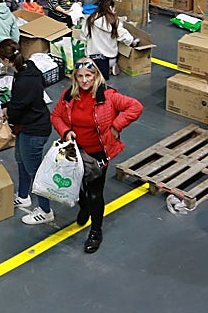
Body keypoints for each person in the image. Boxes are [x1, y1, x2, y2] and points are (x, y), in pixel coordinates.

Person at [51, 59, 143, 253]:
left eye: (89, 76)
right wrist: (66, 131)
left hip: (98, 153)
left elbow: (135, 107)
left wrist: (117, 126)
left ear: (96, 76)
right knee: (76, 186)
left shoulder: (108, 96)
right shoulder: (69, 96)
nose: (85, 80)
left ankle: (95, 230)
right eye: (80, 76)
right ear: (75, 78)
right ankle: (83, 207)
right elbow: (56, 116)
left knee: (95, 193)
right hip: (75, 151)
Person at [0, 40, 55, 225]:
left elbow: (17, 108)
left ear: (6, 60)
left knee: (35, 171)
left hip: (35, 129)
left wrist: (7, 111)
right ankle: (23, 196)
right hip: (29, 124)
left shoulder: (24, 81)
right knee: (21, 160)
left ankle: (46, 211)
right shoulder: (28, 67)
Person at [82, 0, 135, 80]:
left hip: (92, 59)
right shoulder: (113, 22)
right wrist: (131, 41)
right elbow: (125, 37)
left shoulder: (89, 20)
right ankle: (112, 66)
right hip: (109, 58)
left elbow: (83, 37)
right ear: (111, 8)